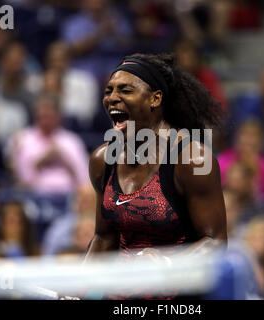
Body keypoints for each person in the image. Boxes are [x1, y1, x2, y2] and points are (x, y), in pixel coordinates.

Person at [85, 53, 227, 298]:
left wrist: (167, 262)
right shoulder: (102, 160)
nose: (112, 98)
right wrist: (77, 288)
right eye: (108, 91)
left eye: (125, 90)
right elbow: (103, 237)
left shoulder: (192, 160)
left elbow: (215, 242)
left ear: (155, 98)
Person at [9, 95, 90, 195]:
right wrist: (41, 161)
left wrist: (63, 159)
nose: (45, 121)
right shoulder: (23, 139)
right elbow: (22, 180)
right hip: (34, 197)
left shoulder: (72, 141)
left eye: (49, 116)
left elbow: (83, 179)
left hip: (69, 198)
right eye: (42, 117)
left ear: (58, 117)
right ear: (35, 117)